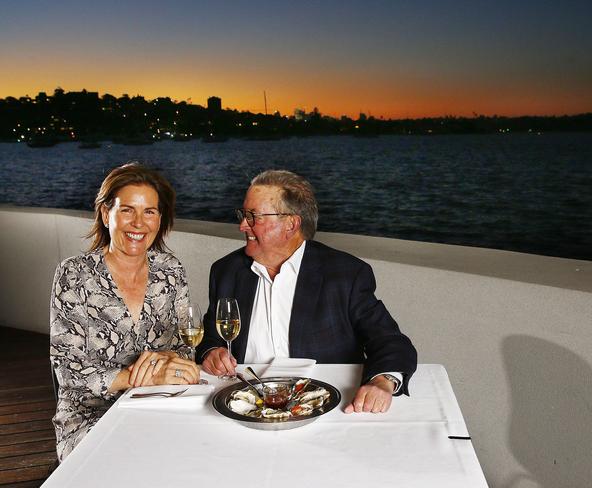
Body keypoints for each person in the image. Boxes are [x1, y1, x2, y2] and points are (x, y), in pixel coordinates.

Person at [197, 170, 417, 413]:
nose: (242, 225)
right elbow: (212, 337)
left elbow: (390, 341)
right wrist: (211, 352)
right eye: (243, 214)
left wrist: (381, 381)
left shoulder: (345, 274)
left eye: (253, 216)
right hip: (245, 406)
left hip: (326, 406)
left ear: (291, 223)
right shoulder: (226, 271)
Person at [50, 163, 200, 461]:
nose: (139, 223)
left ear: (161, 219)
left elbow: (185, 347)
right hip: (91, 415)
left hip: (161, 405)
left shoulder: (171, 271)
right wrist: (139, 377)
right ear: (106, 214)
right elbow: (68, 372)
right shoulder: (74, 274)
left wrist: (171, 359)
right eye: (127, 210)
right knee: (138, 459)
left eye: (150, 212)